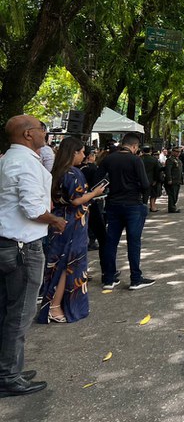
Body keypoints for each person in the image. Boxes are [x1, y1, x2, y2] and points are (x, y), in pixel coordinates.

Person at [0, 115, 66, 398]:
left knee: (7, 310)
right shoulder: (25, 162)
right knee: (21, 313)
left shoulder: (8, 160)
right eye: (42, 129)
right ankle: (9, 376)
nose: (45, 133)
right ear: (28, 134)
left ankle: (9, 368)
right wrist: (54, 220)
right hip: (23, 247)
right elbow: (32, 208)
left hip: (9, 243)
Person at [37, 137, 105, 324]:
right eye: (82, 152)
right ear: (73, 152)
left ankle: (54, 305)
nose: (84, 155)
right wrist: (94, 193)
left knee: (59, 265)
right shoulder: (72, 173)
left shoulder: (56, 172)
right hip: (73, 224)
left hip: (61, 222)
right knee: (69, 266)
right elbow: (76, 200)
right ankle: (55, 306)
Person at [99, 133, 154, 291]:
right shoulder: (136, 160)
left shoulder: (109, 159)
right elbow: (145, 183)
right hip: (133, 205)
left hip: (113, 204)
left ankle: (109, 278)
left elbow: (98, 178)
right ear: (135, 146)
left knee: (111, 242)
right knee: (134, 242)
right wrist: (143, 201)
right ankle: (135, 278)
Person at [140, 146, 163, 213]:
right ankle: (146, 208)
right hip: (150, 180)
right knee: (149, 195)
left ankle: (141, 208)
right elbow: (157, 171)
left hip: (139, 180)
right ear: (150, 151)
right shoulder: (154, 160)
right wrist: (156, 180)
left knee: (140, 195)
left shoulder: (139, 159)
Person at [164, 147, 184, 214]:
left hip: (177, 180)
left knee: (175, 195)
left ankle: (173, 206)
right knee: (172, 195)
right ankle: (172, 208)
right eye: (176, 151)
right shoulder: (170, 160)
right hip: (173, 180)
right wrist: (169, 179)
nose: (178, 153)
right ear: (173, 152)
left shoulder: (177, 160)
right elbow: (168, 170)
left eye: (179, 152)